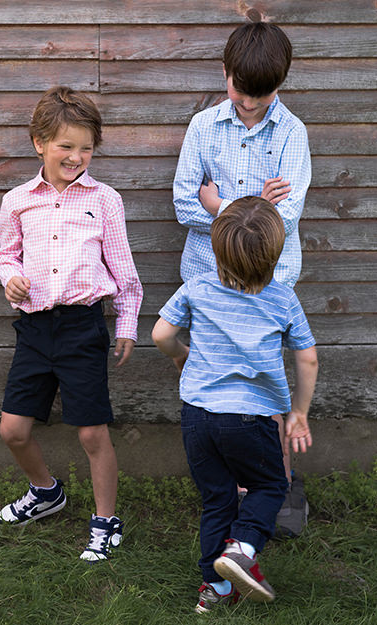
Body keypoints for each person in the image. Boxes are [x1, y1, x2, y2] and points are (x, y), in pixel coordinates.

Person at [0, 86, 143, 562]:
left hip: (82, 327)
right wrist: (11, 277)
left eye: (86, 147)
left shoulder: (105, 200)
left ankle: (105, 521)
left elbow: (124, 271)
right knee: (12, 430)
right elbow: (6, 254)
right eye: (66, 146)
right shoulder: (17, 200)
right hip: (35, 329)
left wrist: (126, 325)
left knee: (91, 433)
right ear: (38, 141)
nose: (77, 156)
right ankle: (45, 491)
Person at [152, 197, 318, 612]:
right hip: (252, 418)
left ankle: (215, 591)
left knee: (217, 499)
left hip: (198, 417)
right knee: (270, 485)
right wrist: (298, 412)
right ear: (276, 251)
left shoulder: (197, 288)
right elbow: (307, 356)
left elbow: (159, 334)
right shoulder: (282, 299)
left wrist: (179, 355)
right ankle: (242, 548)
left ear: (216, 246)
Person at [173, 20, 312, 506]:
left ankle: (280, 485)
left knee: (265, 381)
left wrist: (220, 204)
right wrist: (256, 202)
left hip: (268, 284)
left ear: (280, 84)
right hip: (208, 280)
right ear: (225, 70)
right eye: (239, 89)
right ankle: (226, 491)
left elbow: (286, 219)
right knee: (212, 387)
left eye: (260, 94)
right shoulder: (202, 128)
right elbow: (182, 205)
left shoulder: (293, 134)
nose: (247, 102)